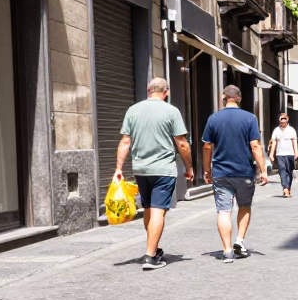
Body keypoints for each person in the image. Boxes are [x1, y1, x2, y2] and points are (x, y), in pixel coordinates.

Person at [113, 78, 194, 271]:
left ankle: (153, 247)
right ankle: (150, 256)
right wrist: (189, 167)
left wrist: (118, 168)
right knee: (158, 210)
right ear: (165, 92)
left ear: (148, 91)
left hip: (141, 169)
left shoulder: (133, 110)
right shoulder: (171, 111)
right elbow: (182, 143)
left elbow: (125, 141)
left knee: (148, 208)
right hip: (163, 169)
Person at [201, 85, 268, 262]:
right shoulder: (250, 118)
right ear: (239, 98)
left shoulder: (213, 118)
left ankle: (227, 250)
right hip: (244, 172)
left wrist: (206, 169)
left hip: (221, 172)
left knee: (223, 211)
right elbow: (255, 146)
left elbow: (207, 146)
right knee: (244, 206)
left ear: (224, 98)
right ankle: (239, 240)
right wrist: (263, 170)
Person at [268, 112, 298, 198]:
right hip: (280, 154)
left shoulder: (292, 130)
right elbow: (273, 142)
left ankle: (288, 188)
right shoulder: (276, 130)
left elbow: (294, 141)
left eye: (285, 118)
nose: (283, 120)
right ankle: (285, 188)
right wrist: (271, 154)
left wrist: (296, 151)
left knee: (289, 171)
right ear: (279, 120)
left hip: (290, 153)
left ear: (287, 119)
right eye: (282, 118)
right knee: (282, 171)